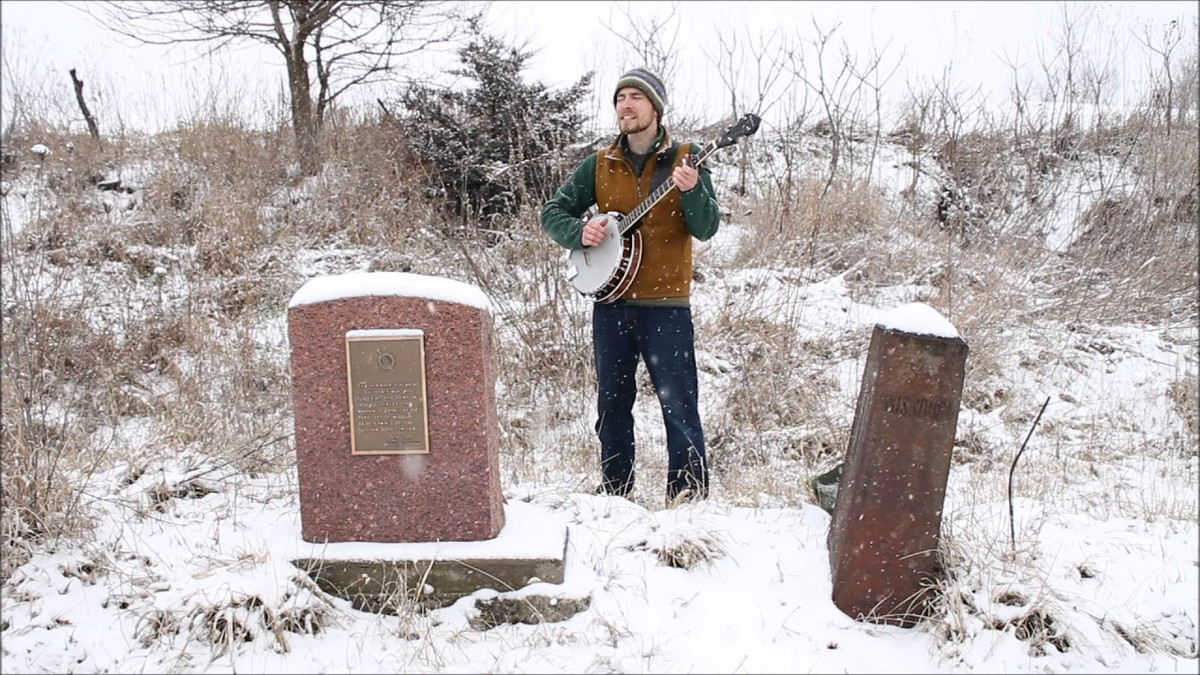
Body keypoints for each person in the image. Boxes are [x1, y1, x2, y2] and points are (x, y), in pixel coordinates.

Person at [540, 66, 721, 506]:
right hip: (612, 304)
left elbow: (707, 226)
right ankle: (615, 494)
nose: (626, 104)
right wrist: (579, 232)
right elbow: (552, 211)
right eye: (620, 98)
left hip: (667, 306)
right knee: (612, 406)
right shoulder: (600, 164)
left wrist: (692, 190)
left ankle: (687, 499)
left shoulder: (687, 157)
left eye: (635, 97)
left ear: (655, 108)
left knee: (679, 408)